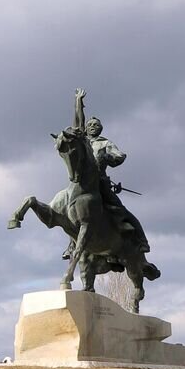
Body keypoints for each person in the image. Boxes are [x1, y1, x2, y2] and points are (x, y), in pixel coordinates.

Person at [68, 88, 149, 255]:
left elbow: (120, 155)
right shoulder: (82, 141)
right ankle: (71, 245)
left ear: (100, 129)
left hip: (100, 182)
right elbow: (78, 121)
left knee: (121, 210)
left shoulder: (105, 143)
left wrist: (109, 158)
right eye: (90, 125)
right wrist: (78, 102)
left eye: (95, 125)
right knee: (67, 208)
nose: (91, 127)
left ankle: (142, 240)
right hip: (81, 181)